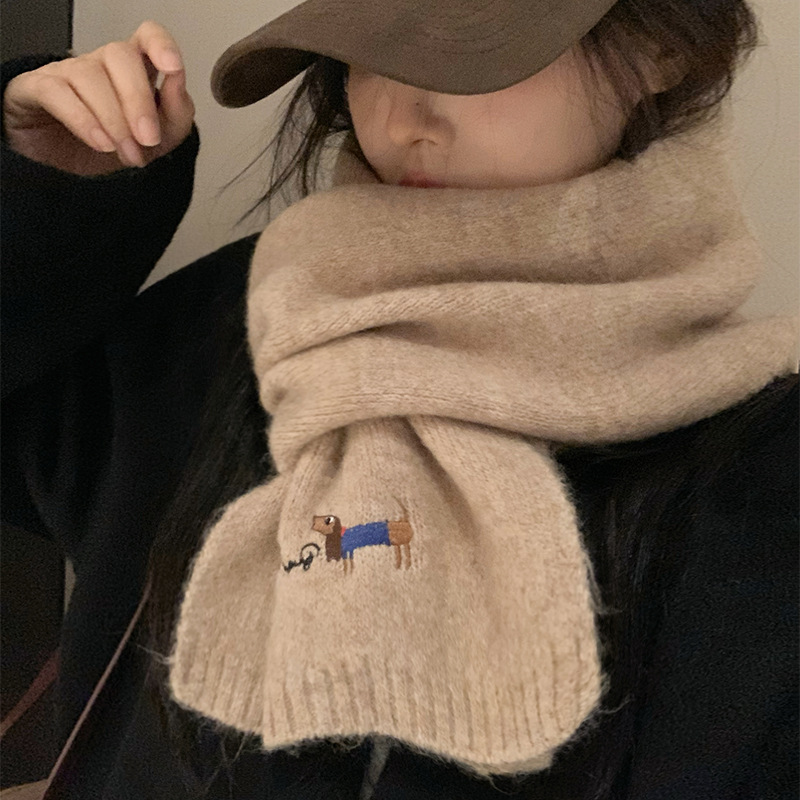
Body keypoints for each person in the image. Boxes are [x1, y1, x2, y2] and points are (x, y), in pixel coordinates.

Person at [1, 1, 797, 797]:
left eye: (468, 60)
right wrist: (44, 191)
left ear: (659, 49)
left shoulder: (759, 466)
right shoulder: (259, 320)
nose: (402, 118)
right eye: (370, 56)